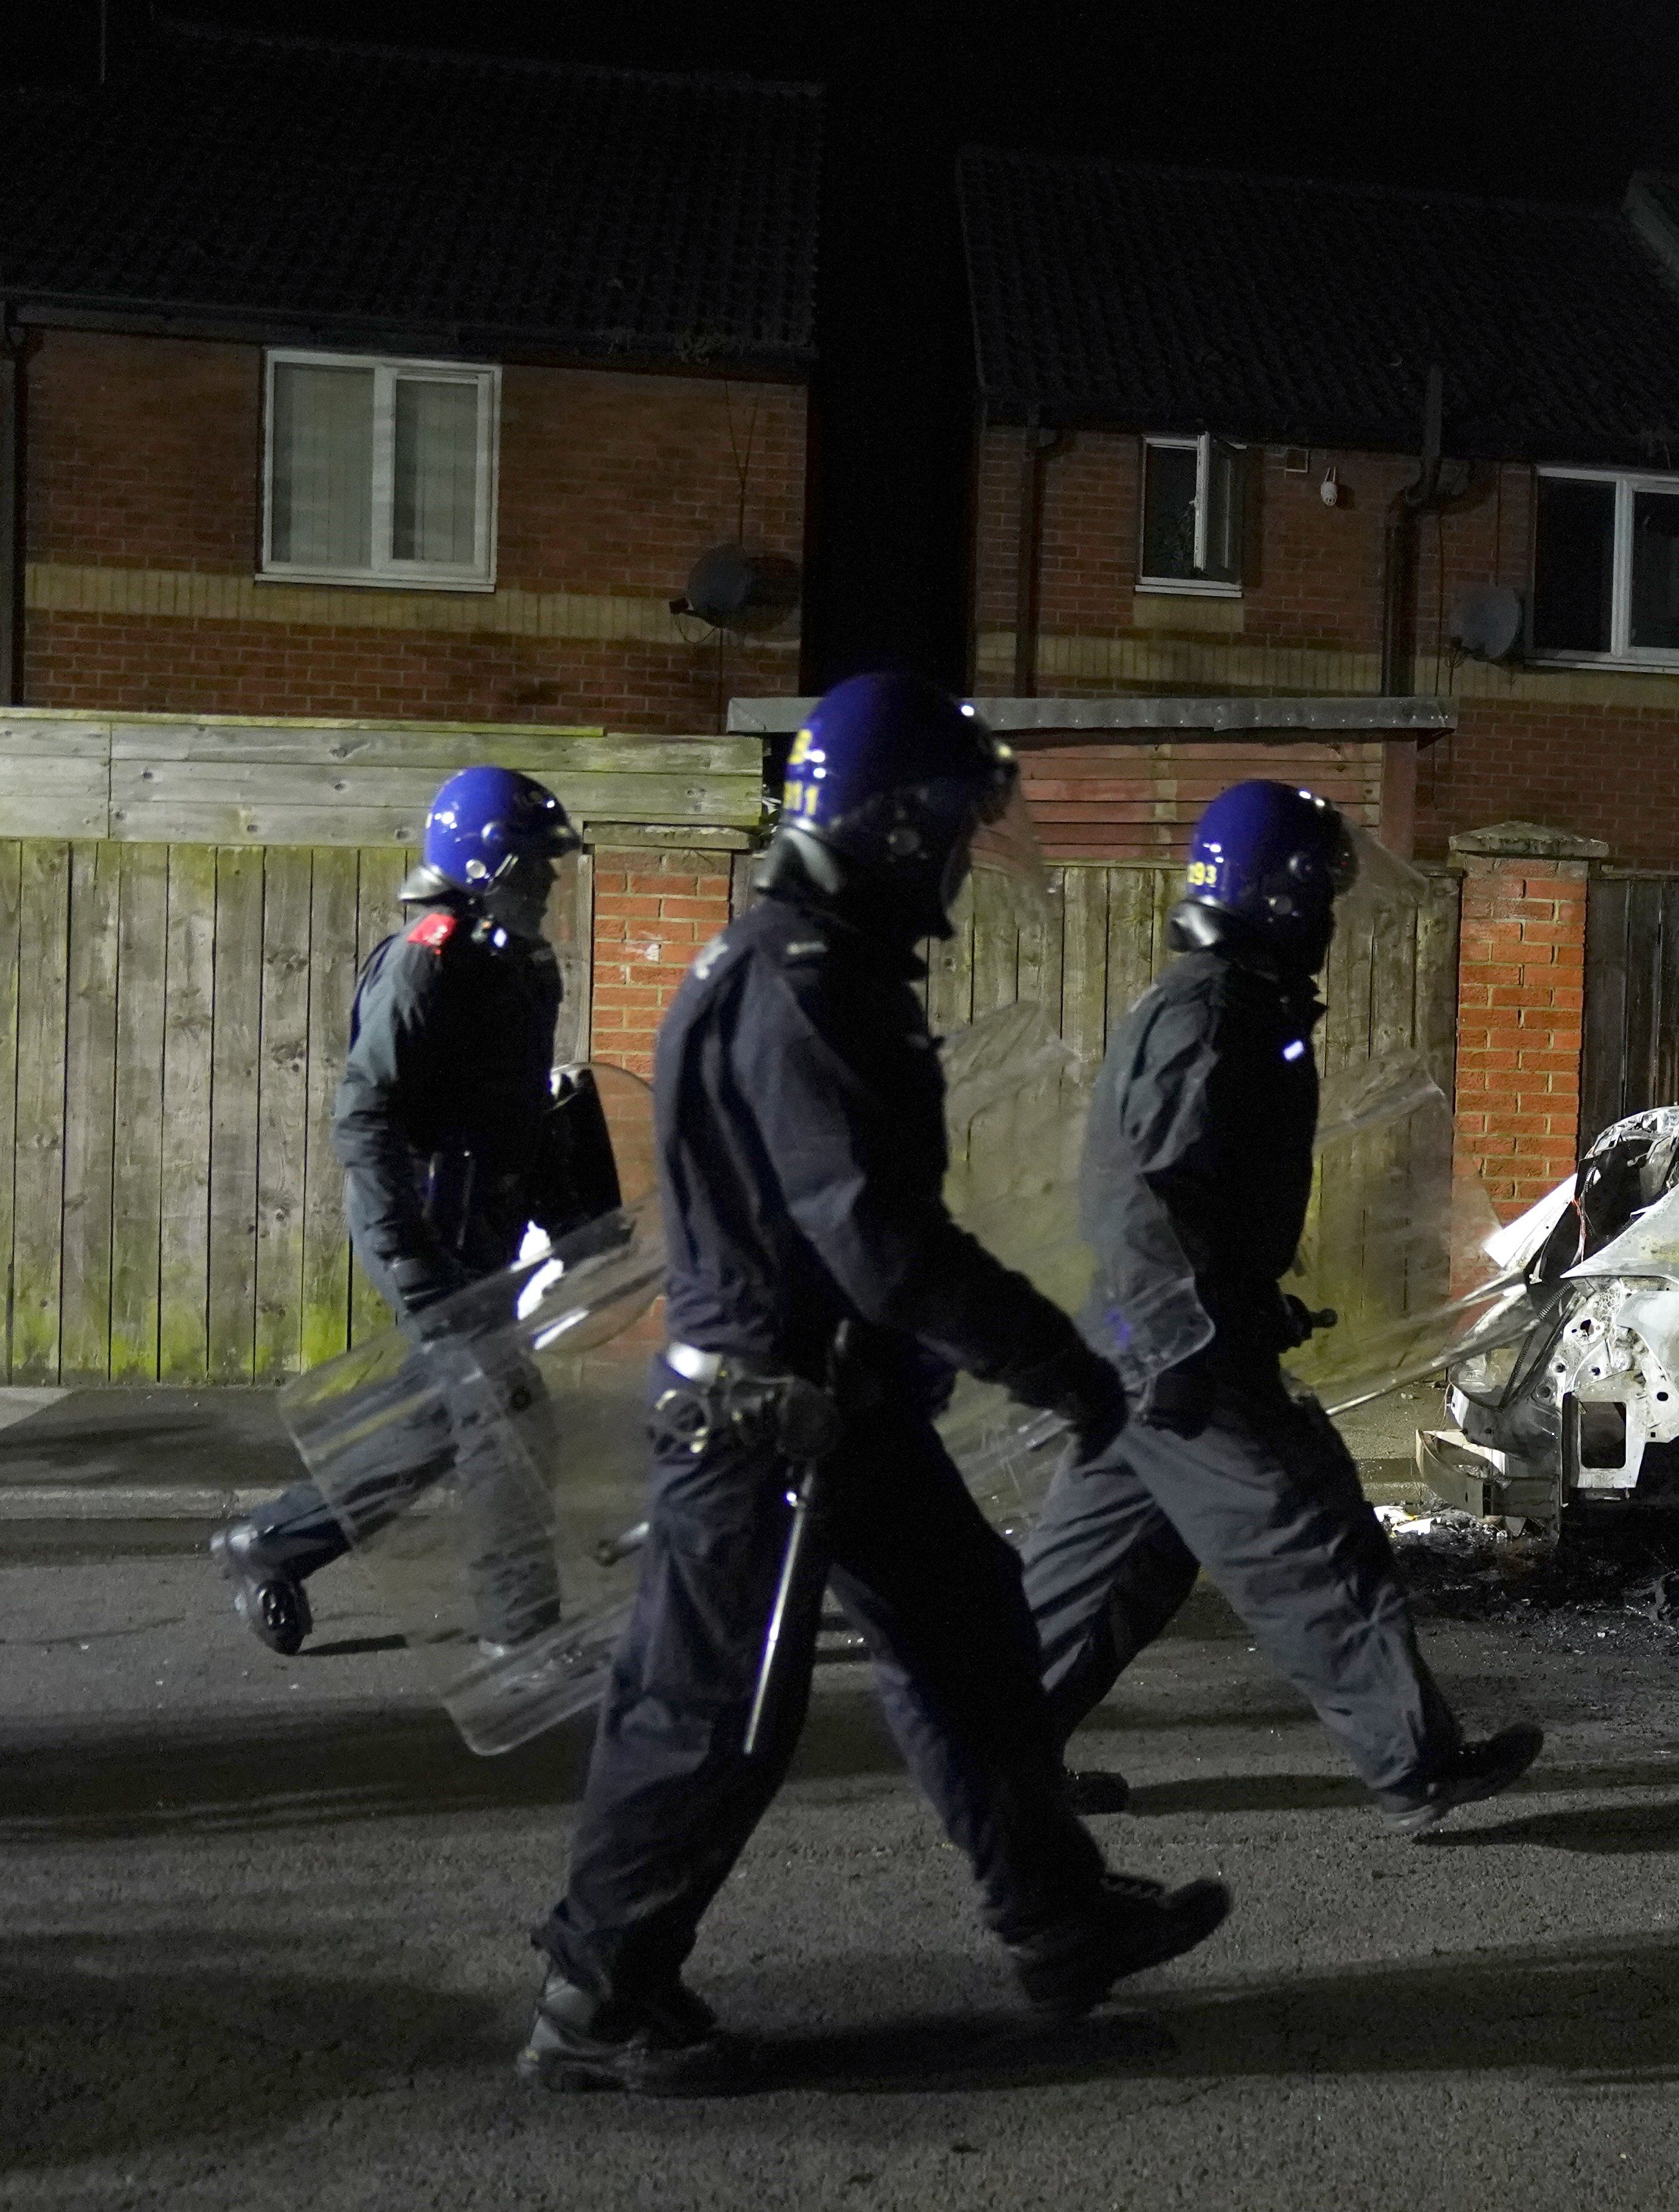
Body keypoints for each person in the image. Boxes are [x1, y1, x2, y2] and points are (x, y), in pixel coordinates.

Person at [522, 673, 1227, 2096]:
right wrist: (1058, 1368)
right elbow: (880, 1239)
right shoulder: (804, 983)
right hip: (766, 1422)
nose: (967, 855)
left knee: (974, 1648)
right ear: (892, 825)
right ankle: (599, 1996)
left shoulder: (810, 962)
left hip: (840, 1407)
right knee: (710, 1710)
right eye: (956, 824)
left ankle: (1059, 1920)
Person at [1019, 779, 1541, 1837]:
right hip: (1179, 1359)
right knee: (1315, 1542)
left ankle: (993, 1759)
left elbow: (1196, 1200)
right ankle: (1418, 1768)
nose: (1337, 920)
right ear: (1285, 895)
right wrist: (1197, 1342)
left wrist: (1248, 1306)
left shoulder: (1239, 1005)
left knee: (1109, 1569)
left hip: (1154, 1347)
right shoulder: (1213, 1014)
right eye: (1326, 896)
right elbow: (1144, 1199)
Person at [210, 767, 591, 1656]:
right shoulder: (426, 961)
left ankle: (270, 1543)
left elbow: (519, 1107)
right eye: (536, 868)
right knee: (504, 1411)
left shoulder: (523, 967)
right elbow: (365, 1114)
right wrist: (408, 1257)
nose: (549, 884)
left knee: (445, 1416)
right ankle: (521, 1638)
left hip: (482, 1226)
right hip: (421, 1224)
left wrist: (565, 1209)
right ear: (487, 867)